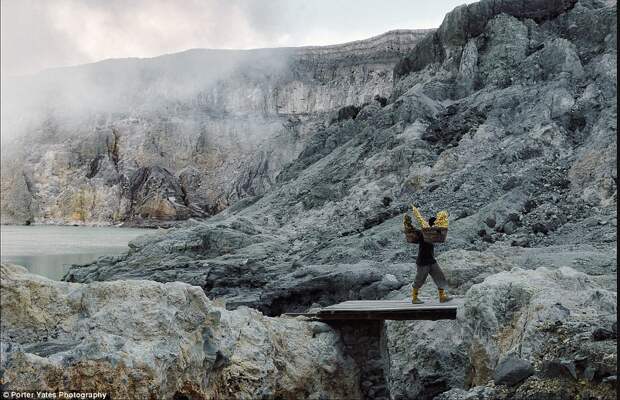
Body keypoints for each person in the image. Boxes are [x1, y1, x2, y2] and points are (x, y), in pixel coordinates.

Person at [404, 215, 452, 304]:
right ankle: (414, 298)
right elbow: (415, 232)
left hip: (431, 260)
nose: (437, 226)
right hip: (423, 261)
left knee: (440, 277)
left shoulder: (434, 233)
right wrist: (409, 226)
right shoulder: (424, 232)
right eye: (436, 224)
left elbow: (441, 235)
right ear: (432, 225)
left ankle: (442, 297)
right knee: (419, 280)